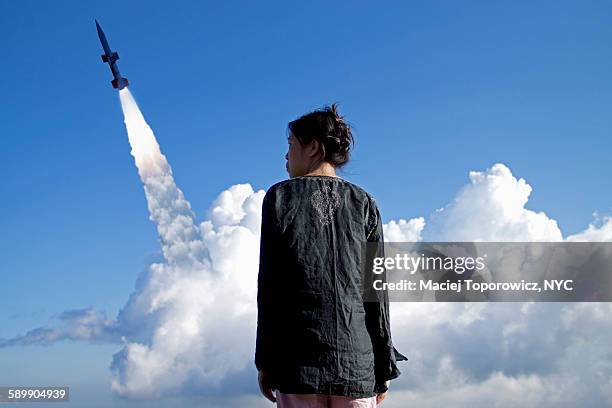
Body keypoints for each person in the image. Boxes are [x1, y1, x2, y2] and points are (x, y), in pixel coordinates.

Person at [255, 103, 407, 407]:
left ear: (312, 147)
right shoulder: (365, 202)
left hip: (296, 365)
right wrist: (384, 364)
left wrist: (265, 361)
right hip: (357, 365)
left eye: (290, 145)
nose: (286, 156)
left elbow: (270, 289)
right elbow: (376, 292)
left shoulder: (279, 197)